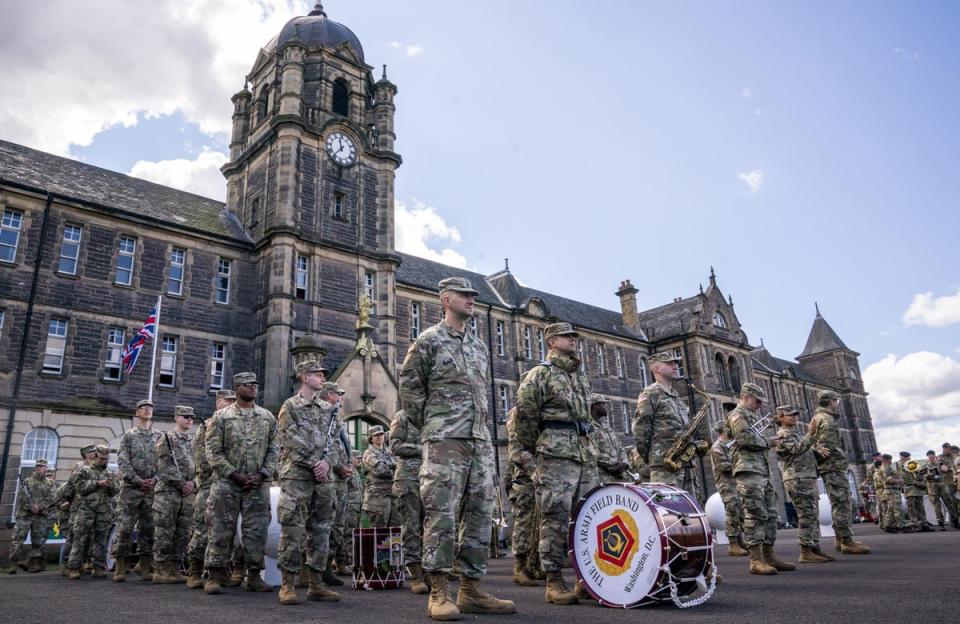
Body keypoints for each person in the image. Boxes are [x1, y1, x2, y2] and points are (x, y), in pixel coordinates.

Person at [400, 276, 515, 620]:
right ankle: (438, 592)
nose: (472, 300)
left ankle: (471, 589)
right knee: (442, 514)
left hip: (479, 442)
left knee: (480, 514)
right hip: (445, 440)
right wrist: (434, 427)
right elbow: (409, 388)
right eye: (465, 295)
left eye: (473, 295)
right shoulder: (428, 340)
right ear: (446, 299)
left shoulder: (479, 347)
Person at [515, 321, 597, 605]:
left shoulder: (580, 375)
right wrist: (533, 453)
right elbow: (524, 419)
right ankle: (554, 581)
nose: (573, 339)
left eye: (574, 335)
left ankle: (587, 578)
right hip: (555, 453)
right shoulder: (540, 374)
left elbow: (587, 415)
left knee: (588, 516)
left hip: (585, 452)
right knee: (555, 517)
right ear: (551, 341)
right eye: (566, 336)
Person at [203, 372, 278, 595]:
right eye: (248, 385)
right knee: (221, 529)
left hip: (258, 483)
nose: (253, 388)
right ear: (237, 388)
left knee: (256, 531)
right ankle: (215, 575)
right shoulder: (221, 417)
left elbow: (274, 449)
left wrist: (263, 474)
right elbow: (213, 451)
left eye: (255, 384)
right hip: (227, 483)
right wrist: (233, 474)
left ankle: (254, 575)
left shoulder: (267, 417)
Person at [275, 364, 343, 605]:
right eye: (318, 374)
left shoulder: (329, 409)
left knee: (321, 530)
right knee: (292, 529)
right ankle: (288, 585)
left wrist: (327, 463)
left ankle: (316, 583)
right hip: (298, 476)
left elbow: (335, 442)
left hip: (324, 479)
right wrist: (315, 463)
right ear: (305, 377)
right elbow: (289, 439)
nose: (323, 377)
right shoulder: (290, 406)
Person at [633, 352, 708, 488]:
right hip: (664, 466)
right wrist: (653, 457)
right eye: (669, 363)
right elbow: (641, 429)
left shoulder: (675, 395)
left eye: (675, 363)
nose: (675, 366)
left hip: (685, 463)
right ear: (657, 369)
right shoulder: (650, 393)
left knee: (689, 508)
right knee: (668, 508)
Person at [808, 390, 870, 554]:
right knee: (842, 504)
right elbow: (826, 446)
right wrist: (829, 458)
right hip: (833, 467)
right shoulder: (827, 420)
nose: (837, 404)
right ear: (831, 402)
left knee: (839, 503)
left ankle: (841, 539)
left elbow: (812, 442)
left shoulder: (818, 418)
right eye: (836, 401)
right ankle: (846, 541)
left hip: (830, 467)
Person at [186, 389, 236, 588]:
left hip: (228, 485)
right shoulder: (207, 425)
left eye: (234, 401)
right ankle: (194, 571)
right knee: (202, 530)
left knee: (225, 532)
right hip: (209, 484)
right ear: (218, 404)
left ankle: (220, 571)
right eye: (227, 401)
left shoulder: (233, 426)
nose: (232, 405)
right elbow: (201, 459)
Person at [773, 405, 834, 563]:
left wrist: (816, 450)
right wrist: (811, 433)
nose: (794, 417)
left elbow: (804, 448)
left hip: (806, 477)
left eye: (795, 415)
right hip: (797, 478)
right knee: (806, 514)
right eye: (790, 415)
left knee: (813, 514)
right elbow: (797, 449)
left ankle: (814, 548)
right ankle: (805, 551)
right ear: (780, 418)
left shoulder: (795, 434)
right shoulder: (782, 434)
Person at [112, 399, 161, 582]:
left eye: (150, 408)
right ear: (137, 411)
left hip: (151, 489)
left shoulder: (159, 436)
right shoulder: (129, 436)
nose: (147, 410)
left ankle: (145, 564)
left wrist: (155, 479)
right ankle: (120, 565)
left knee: (149, 528)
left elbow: (164, 461)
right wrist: (138, 480)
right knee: (124, 528)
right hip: (131, 489)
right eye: (143, 407)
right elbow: (123, 462)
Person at [152, 406, 197, 583]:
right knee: (165, 531)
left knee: (183, 532)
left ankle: (174, 568)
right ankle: (160, 569)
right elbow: (164, 466)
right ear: (177, 418)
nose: (189, 419)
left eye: (191, 417)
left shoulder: (192, 441)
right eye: (185, 416)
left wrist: (193, 483)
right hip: (169, 493)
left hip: (187, 494)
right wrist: (181, 484)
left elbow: (200, 466)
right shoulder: (167, 439)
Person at [390, 409, 428, 594]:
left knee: (431, 527)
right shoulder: (402, 417)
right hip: (408, 479)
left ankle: (430, 570)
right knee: (411, 526)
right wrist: (423, 449)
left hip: (431, 477)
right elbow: (395, 446)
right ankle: (415, 574)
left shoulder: (431, 414)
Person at [66, 445, 119, 579]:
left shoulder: (110, 473)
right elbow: (79, 487)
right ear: (95, 457)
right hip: (85, 511)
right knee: (80, 539)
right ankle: (74, 567)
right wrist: (97, 483)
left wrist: (110, 485)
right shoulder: (83, 471)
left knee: (101, 540)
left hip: (103, 512)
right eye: (101, 458)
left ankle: (98, 567)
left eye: (105, 459)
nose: (103, 461)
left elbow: (115, 491)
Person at [505, 405, 540, 586]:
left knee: (539, 523)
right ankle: (520, 567)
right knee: (524, 521)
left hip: (541, 474)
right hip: (525, 477)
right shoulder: (518, 412)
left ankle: (534, 565)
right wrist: (535, 471)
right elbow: (516, 450)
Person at [9, 458, 56, 573]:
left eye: (41, 466)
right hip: (25, 515)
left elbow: (52, 498)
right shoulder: (27, 481)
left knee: (38, 541)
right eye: (37, 466)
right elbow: (21, 496)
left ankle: (33, 564)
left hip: (40, 516)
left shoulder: (50, 483)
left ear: (46, 468)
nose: (39, 468)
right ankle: (13, 564)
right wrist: (31, 507)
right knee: (18, 539)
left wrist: (40, 507)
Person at [709, 422, 747, 557]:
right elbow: (724, 467)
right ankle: (732, 544)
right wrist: (741, 464)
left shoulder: (729, 445)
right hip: (726, 484)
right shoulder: (717, 447)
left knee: (739, 512)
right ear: (724, 430)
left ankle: (740, 540)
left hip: (734, 483)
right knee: (732, 512)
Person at [588, 394, 631, 483]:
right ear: (595, 405)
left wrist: (625, 463)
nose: (606, 407)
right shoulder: (588, 427)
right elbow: (593, 452)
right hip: (602, 478)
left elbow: (620, 447)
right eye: (603, 404)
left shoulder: (607, 427)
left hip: (620, 476)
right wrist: (615, 464)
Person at [361, 425, 396, 528]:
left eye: (381, 434)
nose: (380, 437)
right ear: (371, 438)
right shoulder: (369, 453)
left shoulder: (390, 452)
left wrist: (390, 466)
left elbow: (400, 466)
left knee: (395, 530)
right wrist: (394, 467)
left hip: (392, 495)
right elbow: (380, 471)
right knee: (380, 531)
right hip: (377, 498)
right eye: (376, 435)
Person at [898, 451, 932, 532]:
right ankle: (915, 525)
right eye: (906, 458)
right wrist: (916, 481)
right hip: (910, 491)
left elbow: (921, 476)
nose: (908, 459)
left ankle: (924, 524)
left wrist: (920, 477)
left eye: (908, 457)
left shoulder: (914, 465)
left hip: (918, 490)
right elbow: (906, 479)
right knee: (912, 509)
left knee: (921, 508)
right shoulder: (901, 467)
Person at [879, 454, 905, 533]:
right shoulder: (886, 467)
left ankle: (888, 526)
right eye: (890, 459)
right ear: (887, 460)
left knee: (890, 510)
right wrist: (899, 480)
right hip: (891, 490)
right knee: (897, 509)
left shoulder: (886, 467)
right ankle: (901, 526)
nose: (891, 461)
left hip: (891, 490)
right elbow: (888, 479)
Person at [937, 443, 959, 527]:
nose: (947, 450)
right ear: (943, 448)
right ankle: (955, 521)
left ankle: (954, 521)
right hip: (946, 483)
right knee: (951, 502)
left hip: (955, 482)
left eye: (948, 448)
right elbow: (943, 468)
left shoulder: (953, 456)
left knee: (955, 502)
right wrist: (953, 469)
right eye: (945, 448)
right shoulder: (940, 457)